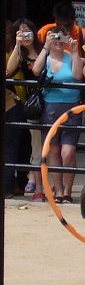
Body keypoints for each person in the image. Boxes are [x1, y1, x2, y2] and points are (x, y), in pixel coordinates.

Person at [31, 29, 85, 203]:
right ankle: (59, 191)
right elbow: (36, 70)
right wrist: (46, 46)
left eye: (62, 37)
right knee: (53, 151)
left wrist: (75, 51)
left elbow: (78, 75)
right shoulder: (45, 57)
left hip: (71, 108)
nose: (59, 41)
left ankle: (68, 191)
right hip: (50, 108)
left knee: (68, 152)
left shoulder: (71, 55)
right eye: (55, 37)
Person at [4, 19, 38, 197]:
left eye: (27, 32)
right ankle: (10, 186)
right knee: (13, 145)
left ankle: (23, 182)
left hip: (34, 105)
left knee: (27, 147)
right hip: (15, 104)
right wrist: (18, 45)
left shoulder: (42, 51)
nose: (23, 36)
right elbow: (8, 72)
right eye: (18, 33)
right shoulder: (15, 53)